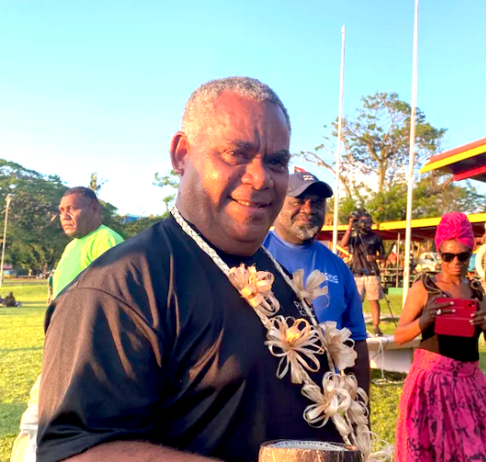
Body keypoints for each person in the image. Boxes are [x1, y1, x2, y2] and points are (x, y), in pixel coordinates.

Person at [37, 78, 375, 462]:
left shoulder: (278, 274)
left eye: (277, 161)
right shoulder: (122, 286)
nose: (261, 177)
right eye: (235, 154)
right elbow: (72, 452)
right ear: (182, 154)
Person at [10, 187, 123, 462]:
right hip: (59, 349)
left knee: (40, 421)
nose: (65, 215)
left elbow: (116, 302)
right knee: (39, 422)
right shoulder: (73, 245)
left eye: (72, 208)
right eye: (61, 210)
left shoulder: (106, 241)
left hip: (81, 353)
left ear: (95, 209)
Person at [394, 212, 486, 461]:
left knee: (479, 448)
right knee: (433, 449)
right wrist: (425, 319)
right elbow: (399, 337)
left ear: (470, 253)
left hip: (469, 382)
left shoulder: (475, 290)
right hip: (431, 383)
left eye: (462, 255)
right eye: (448, 256)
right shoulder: (423, 287)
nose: (455, 262)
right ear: (439, 253)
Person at [264, 170, 370, 396]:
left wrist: (362, 412)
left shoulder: (338, 268)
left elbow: (357, 343)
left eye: (317, 202)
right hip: (263, 399)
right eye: (299, 201)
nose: (309, 209)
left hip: (321, 402)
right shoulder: (254, 253)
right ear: (278, 203)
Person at [340, 212, 385, 336]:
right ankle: (354, 325)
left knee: (374, 300)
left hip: (371, 272)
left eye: (369, 222)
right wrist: (349, 226)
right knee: (355, 301)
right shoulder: (354, 238)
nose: (367, 225)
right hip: (357, 273)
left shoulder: (376, 237)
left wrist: (375, 257)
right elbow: (342, 244)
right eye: (365, 223)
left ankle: (376, 327)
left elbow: (383, 256)